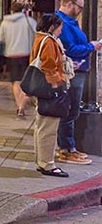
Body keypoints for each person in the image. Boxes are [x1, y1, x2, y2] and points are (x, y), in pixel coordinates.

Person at [55, 0, 102, 165]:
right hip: (72, 72)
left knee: (72, 111)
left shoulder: (69, 22)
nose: (80, 10)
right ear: (69, 4)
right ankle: (66, 149)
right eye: (79, 7)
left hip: (76, 71)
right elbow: (70, 48)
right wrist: (91, 46)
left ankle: (69, 147)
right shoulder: (62, 23)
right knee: (68, 111)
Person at [31, 14, 71, 178]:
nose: (61, 31)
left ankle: (42, 161)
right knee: (48, 129)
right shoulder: (48, 41)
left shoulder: (39, 38)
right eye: (60, 27)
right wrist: (58, 84)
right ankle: (47, 164)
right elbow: (49, 66)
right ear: (52, 26)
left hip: (41, 89)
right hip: (49, 90)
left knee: (41, 127)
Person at [0, 2, 37, 117]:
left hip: (11, 55)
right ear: (24, 10)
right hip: (27, 55)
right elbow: (37, 36)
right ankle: (22, 106)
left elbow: (0, 39)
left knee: (16, 82)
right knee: (26, 82)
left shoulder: (5, 22)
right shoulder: (30, 21)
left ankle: (19, 106)